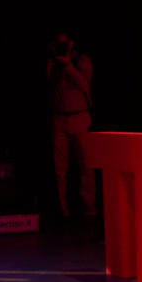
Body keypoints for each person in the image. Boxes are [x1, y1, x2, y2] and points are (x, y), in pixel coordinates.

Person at [47, 30, 96, 220]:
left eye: (63, 43)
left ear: (71, 43)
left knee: (86, 166)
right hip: (59, 119)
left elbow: (85, 84)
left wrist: (68, 66)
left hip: (80, 117)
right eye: (56, 43)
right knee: (60, 169)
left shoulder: (82, 61)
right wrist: (58, 63)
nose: (60, 47)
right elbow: (49, 83)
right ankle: (62, 211)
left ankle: (89, 210)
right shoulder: (51, 63)